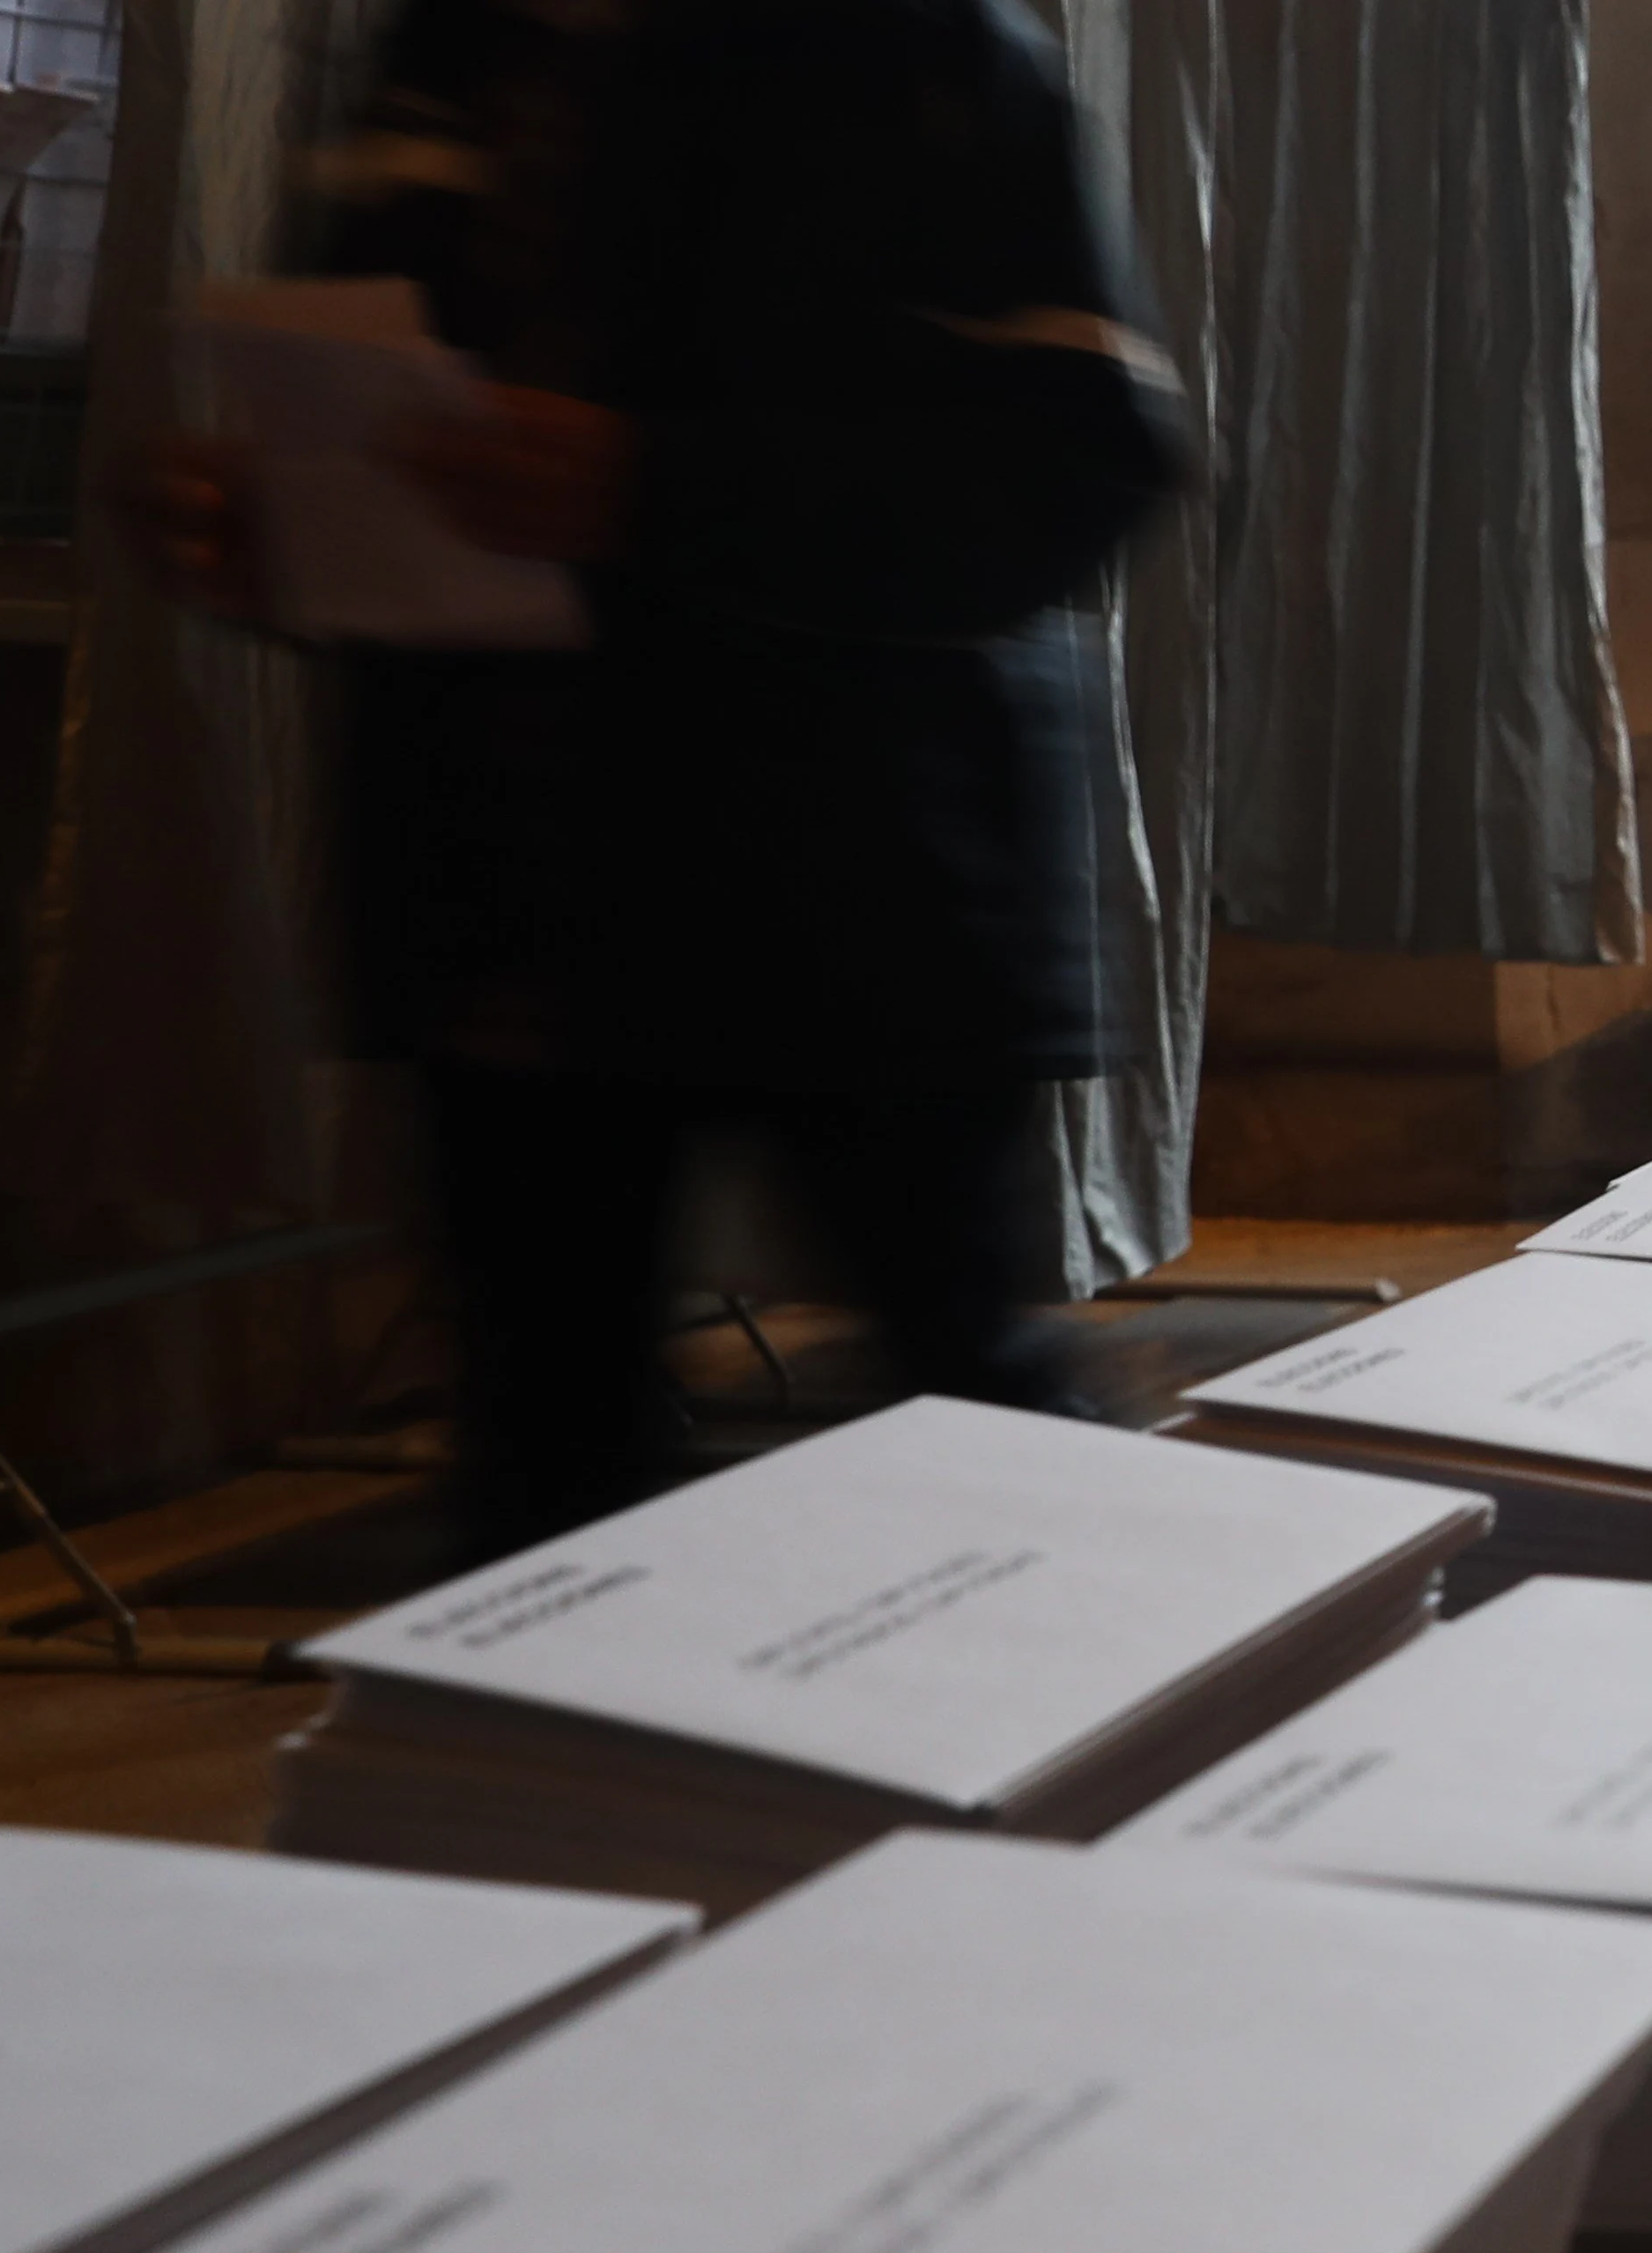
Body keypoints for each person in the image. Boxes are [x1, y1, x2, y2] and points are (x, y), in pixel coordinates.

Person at [154, 0, 1182, 1548]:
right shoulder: (450, 49)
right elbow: (383, 418)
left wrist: (663, 487)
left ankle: (1131, 1754)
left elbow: (1083, 461)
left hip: (860, 879)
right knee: (547, 1476)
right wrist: (273, 525)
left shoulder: (934, 55)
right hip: (510, 883)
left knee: (975, 1426)